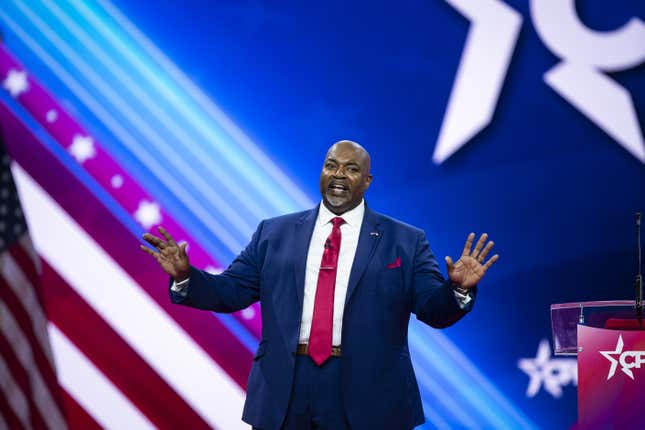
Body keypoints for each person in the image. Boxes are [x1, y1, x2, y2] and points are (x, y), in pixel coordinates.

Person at [141, 140, 498, 430]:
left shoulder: (404, 241)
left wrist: (457, 291)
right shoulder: (274, 232)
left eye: (351, 168)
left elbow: (432, 310)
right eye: (331, 165)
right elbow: (232, 291)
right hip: (287, 388)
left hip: (369, 394)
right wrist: (186, 276)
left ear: (368, 181)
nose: (339, 175)